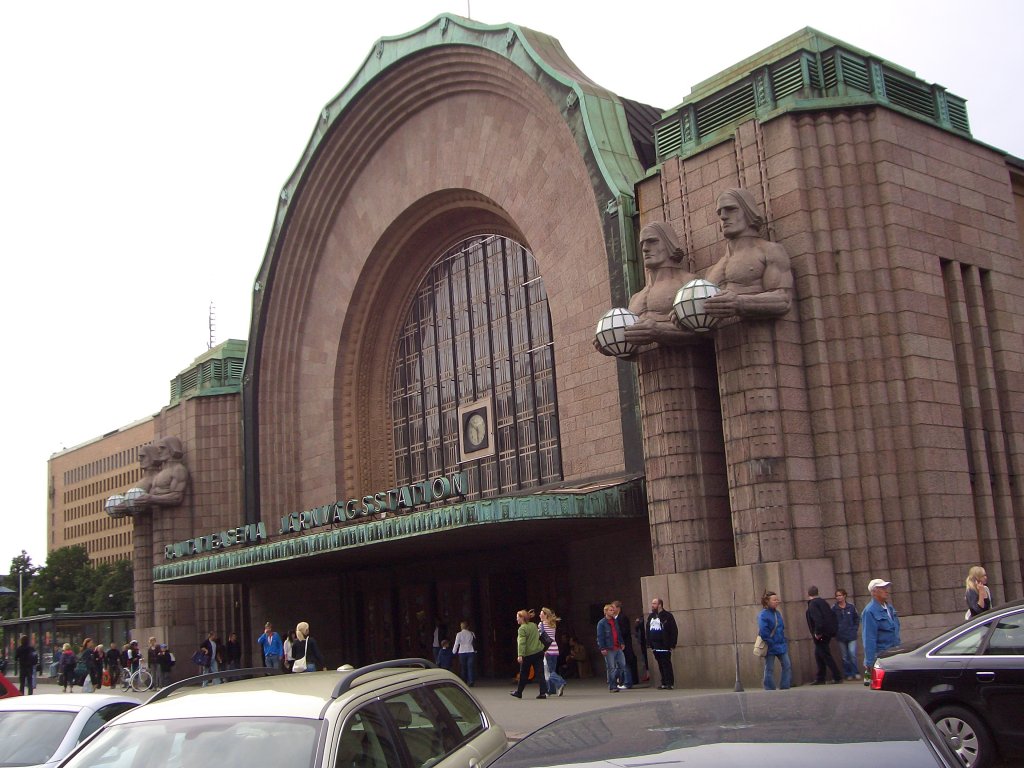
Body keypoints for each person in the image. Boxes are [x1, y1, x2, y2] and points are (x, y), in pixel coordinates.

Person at [596, 221, 696, 354]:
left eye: (652, 241)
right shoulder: (635, 298)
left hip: (686, 367)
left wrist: (659, 330)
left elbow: (705, 332)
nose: (645, 248)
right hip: (646, 370)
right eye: (642, 244)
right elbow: (635, 351)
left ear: (669, 243)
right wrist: (613, 344)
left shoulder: (688, 282)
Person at [703, 188, 794, 322]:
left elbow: (783, 300)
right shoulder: (712, 271)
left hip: (763, 336)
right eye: (719, 212)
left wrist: (740, 302)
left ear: (748, 211)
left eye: (730, 209)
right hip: (726, 340)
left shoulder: (769, 250)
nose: (723, 216)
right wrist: (685, 316)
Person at [862, 578, 901, 685]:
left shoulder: (889, 608)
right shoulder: (869, 611)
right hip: (881, 657)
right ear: (874, 592)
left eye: (886, 588)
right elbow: (869, 638)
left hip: (894, 653)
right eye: (882, 588)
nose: (886, 590)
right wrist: (869, 663)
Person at [805, 586, 842, 685]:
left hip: (821, 634)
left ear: (808, 594)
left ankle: (836, 676)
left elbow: (818, 619)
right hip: (828, 632)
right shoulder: (823, 603)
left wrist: (818, 633)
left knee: (825, 655)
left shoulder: (813, 604)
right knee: (819, 654)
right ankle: (820, 677)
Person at [510, 609, 546, 699]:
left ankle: (519, 692)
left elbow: (522, 642)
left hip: (528, 654)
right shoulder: (533, 625)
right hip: (538, 651)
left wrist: (520, 655)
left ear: (522, 618)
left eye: (517, 617)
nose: (516, 619)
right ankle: (543, 693)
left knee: (523, 674)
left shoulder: (522, 628)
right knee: (540, 673)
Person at [758, 590, 791, 690]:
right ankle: (769, 687)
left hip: (780, 644)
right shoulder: (763, 615)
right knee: (769, 668)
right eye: (774, 600)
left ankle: (784, 686)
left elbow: (781, 628)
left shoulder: (777, 613)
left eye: (777, 599)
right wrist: (771, 642)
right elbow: (763, 631)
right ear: (767, 601)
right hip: (771, 645)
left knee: (787, 665)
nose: (777, 601)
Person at [645, 597, 678, 690]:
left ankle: (669, 683)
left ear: (660, 605)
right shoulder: (651, 616)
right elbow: (648, 630)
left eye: (654, 603)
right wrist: (649, 643)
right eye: (652, 603)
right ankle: (663, 682)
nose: (652, 605)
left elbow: (674, 630)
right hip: (655, 644)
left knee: (666, 663)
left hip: (664, 644)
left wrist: (672, 643)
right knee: (660, 663)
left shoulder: (667, 616)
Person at [597, 604, 627, 693]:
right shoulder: (602, 623)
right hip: (609, 647)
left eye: (613, 610)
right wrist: (602, 648)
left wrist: (621, 642)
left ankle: (614, 679)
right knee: (611, 667)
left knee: (622, 665)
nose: (612, 612)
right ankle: (612, 685)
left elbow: (618, 633)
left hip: (617, 646)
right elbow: (600, 636)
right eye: (610, 610)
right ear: (605, 611)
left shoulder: (615, 621)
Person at [832, 589, 860, 681]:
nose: (838, 597)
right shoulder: (834, 608)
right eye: (837, 596)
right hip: (840, 635)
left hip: (851, 634)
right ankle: (848, 673)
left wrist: (855, 628)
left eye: (840, 595)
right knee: (845, 656)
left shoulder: (851, 607)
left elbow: (856, 618)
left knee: (852, 653)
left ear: (844, 596)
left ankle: (855, 672)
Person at [539, 607, 567, 697]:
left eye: (541, 613)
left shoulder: (541, 624)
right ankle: (551, 689)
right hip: (555, 648)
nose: (540, 615)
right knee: (552, 669)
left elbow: (541, 637)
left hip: (547, 649)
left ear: (545, 615)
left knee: (548, 671)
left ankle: (560, 682)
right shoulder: (552, 624)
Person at [611, 601, 635, 688]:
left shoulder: (622, 618)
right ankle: (622, 681)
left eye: (613, 607)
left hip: (623, 644)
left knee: (625, 664)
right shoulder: (615, 618)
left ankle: (627, 682)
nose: (612, 609)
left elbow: (625, 631)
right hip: (617, 645)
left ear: (618, 608)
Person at [451, 620, 477, 686]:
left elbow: (456, 643)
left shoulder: (459, 634)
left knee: (463, 667)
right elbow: (474, 642)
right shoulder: (472, 633)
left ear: (461, 627)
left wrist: (454, 651)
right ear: (468, 627)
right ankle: (471, 681)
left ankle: (464, 681)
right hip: (470, 650)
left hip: (462, 651)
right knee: (470, 667)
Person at [634, 617, 649, 682]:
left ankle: (648, 674)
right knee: (644, 659)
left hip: (645, 641)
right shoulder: (641, 620)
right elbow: (637, 631)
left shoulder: (643, 620)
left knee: (646, 659)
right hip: (642, 642)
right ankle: (647, 674)